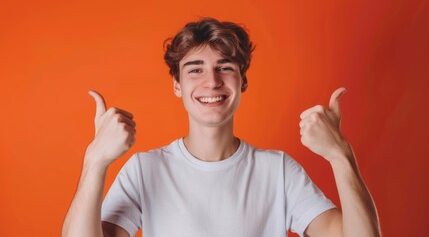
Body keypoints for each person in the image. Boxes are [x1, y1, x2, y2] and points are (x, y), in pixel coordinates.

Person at [62, 18, 381, 237]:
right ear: (177, 85)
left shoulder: (279, 171)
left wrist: (341, 155)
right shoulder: (146, 169)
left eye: (224, 68)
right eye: (195, 69)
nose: (211, 81)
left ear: (242, 81)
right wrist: (96, 161)